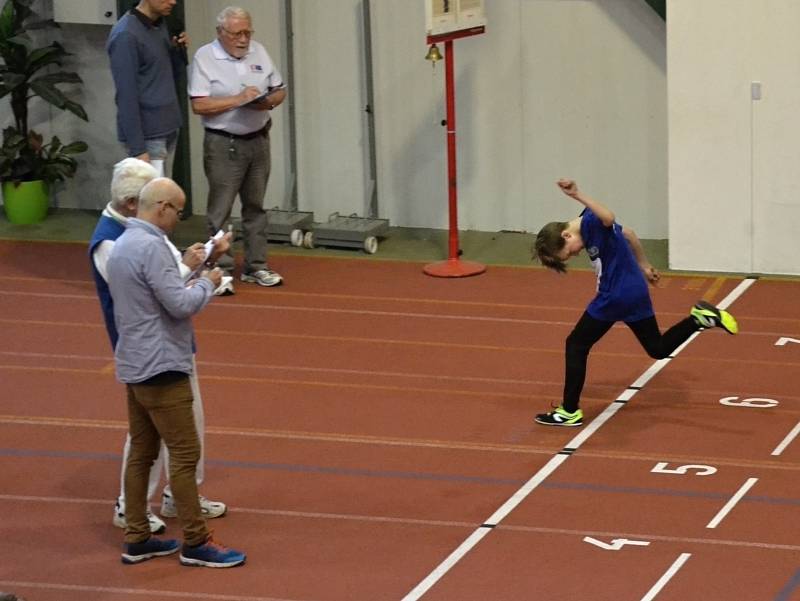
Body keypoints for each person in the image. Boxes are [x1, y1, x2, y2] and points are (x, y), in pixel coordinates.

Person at [106, 177, 245, 567]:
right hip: (163, 363)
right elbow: (179, 304)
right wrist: (208, 283)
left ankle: (137, 536)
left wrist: (200, 264)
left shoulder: (124, 245)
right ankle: (197, 542)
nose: (178, 218)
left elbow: (157, 294)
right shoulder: (150, 247)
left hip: (134, 362)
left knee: (142, 453)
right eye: (178, 210)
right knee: (183, 455)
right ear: (162, 207)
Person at [532, 179, 739, 427]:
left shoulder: (591, 222)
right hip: (634, 291)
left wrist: (577, 194)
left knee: (576, 344)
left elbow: (608, 217)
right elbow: (627, 233)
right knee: (657, 348)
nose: (576, 254)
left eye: (569, 252)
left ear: (566, 234)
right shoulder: (587, 220)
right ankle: (699, 318)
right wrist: (644, 264)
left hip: (614, 296)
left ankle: (569, 411)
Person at [188, 6, 287, 290]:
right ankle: (219, 269)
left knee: (256, 207)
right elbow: (199, 104)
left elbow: (279, 88)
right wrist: (238, 99)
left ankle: (257, 266)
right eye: (236, 34)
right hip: (223, 143)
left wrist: (268, 102)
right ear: (221, 33)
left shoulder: (259, 51)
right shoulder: (205, 57)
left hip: (258, 139)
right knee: (220, 210)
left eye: (247, 32)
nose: (244, 39)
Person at [106, 0, 187, 176]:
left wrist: (177, 51)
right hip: (149, 135)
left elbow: (166, 74)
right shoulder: (126, 35)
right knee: (152, 200)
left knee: (163, 196)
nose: (173, 1)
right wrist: (138, 150)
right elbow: (126, 97)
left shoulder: (160, 24)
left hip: (168, 126)